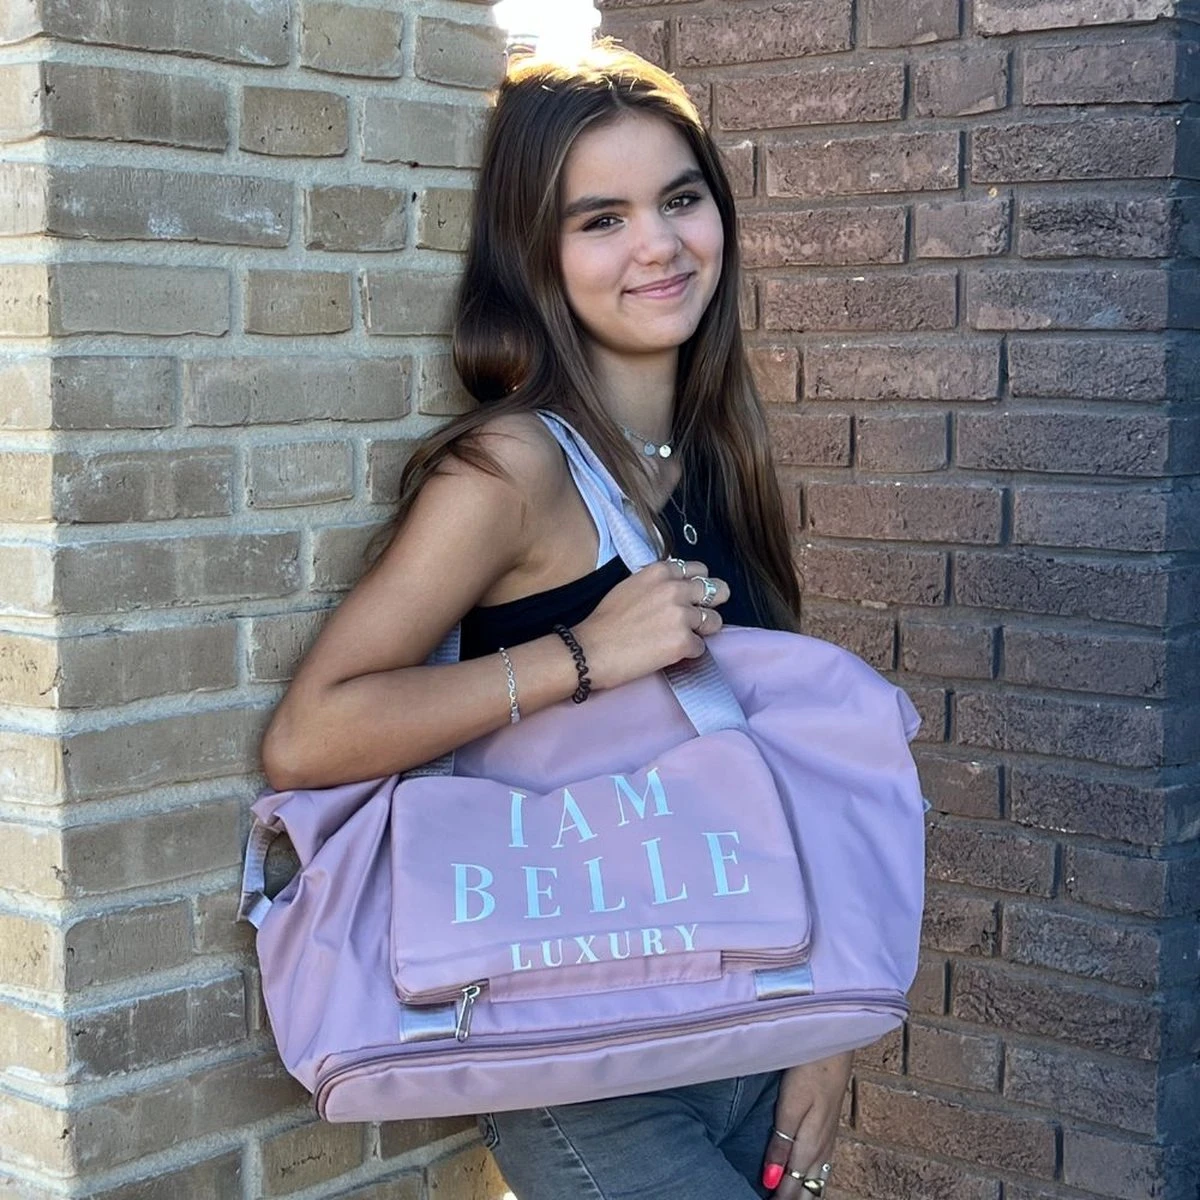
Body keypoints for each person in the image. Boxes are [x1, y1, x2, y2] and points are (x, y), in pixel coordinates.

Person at [261, 41, 852, 1200]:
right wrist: (586, 654)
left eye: (680, 200)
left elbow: (779, 762)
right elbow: (309, 733)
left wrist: (828, 1029)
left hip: (752, 1029)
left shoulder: (718, 454)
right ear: (534, 255)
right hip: (592, 1069)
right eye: (601, 220)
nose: (658, 245)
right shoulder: (513, 468)